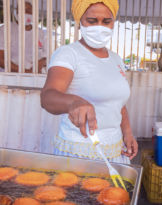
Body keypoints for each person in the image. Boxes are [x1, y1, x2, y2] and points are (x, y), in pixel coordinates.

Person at [41, 0, 138, 163]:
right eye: (92, 21)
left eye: (106, 21)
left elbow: (118, 102)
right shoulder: (68, 54)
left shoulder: (116, 59)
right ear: (80, 22)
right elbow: (47, 97)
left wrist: (127, 133)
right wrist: (73, 102)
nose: (99, 27)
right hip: (80, 152)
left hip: (115, 149)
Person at [0, 0, 47, 73]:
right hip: (10, 77)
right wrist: (25, 71)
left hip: (35, 78)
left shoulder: (41, 33)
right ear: (16, 13)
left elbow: (47, 57)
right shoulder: (6, 29)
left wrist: (41, 62)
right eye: (23, 10)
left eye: (29, 10)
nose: (27, 13)